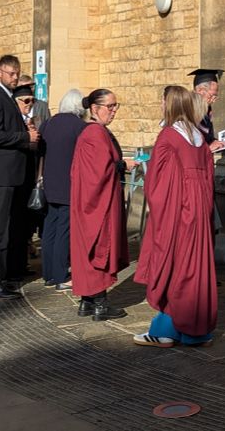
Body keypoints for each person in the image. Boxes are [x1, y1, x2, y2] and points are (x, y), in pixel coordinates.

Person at [133, 85, 216, 347]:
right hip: (199, 209)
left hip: (178, 210)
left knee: (173, 264)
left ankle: (165, 330)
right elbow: (208, 176)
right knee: (194, 266)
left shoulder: (169, 137)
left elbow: (158, 182)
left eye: (163, 101)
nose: (160, 105)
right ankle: (193, 330)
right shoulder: (200, 137)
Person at [70, 88, 135, 320]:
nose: (114, 111)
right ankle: (100, 304)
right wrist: (122, 165)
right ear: (95, 109)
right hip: (98, 204)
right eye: (110, 106)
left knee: (88, 250)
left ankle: (87, 302)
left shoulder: (92, 132)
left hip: (90, 201)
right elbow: (100, 171)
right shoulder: (95, 133)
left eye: (116, 106)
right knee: (99, 248)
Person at [0, 55, 39, 300]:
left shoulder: (6, 97)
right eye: (10, 73)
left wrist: (24, 132)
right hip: (0, 175)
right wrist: (25, 138)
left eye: (17, 73)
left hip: (10, 175)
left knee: (6, 228)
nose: (15, 78)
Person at [40, 89, 86, 289]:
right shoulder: (79, 126)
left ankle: (48, 274)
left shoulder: (48, 124)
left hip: (50, 183)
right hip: (69, 185)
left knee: (50, 227)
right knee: (63, 231)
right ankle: (60, 276)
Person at [8, 82, 40, 279]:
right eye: (26, 100)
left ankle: (20, 265)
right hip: (14, 178)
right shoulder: (14, 122)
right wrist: (27, 136)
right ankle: (12, 268)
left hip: (27, 179)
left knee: (24, 227)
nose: (29, 104)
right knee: (13, 226)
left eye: (32, 100)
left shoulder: (28, 121)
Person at [189, 68, 225, 151]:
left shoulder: (207, 108)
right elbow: (186, 145)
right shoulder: (186, 110)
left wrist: (214, 141)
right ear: (200, 91)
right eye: (212, 95)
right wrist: (207, 148)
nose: (214, 99)